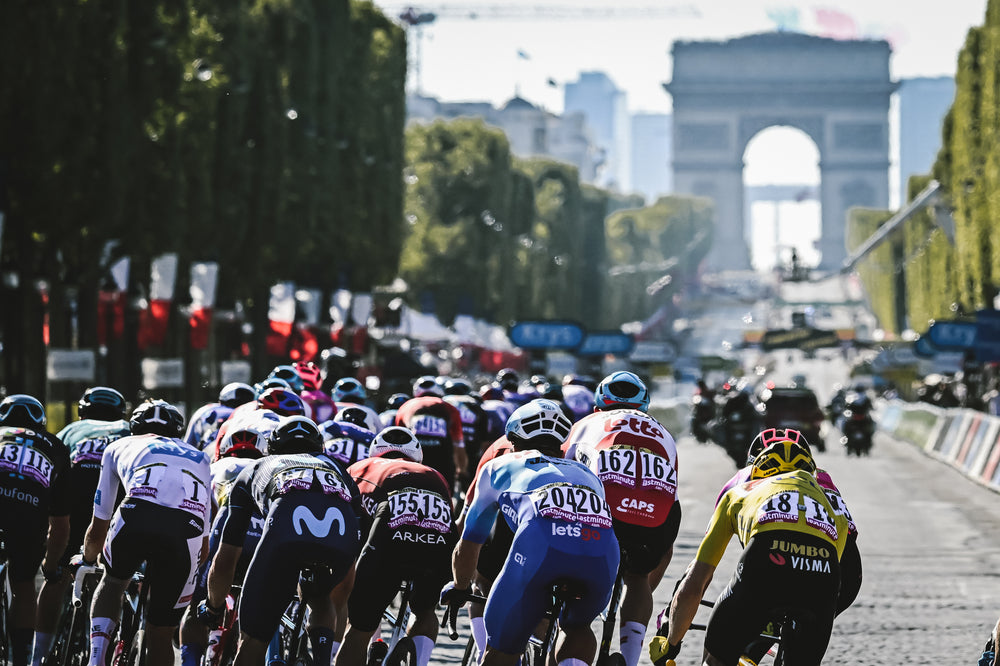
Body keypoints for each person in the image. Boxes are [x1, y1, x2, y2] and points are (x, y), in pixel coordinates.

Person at [442, 399, 620, 666]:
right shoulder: (587, 474)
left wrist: (460, 585)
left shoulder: (498, 465)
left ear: (512, 440)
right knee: (577, 626)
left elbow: (470, 542)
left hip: (541, 546)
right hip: (602, 552)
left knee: (502, 647)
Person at [649, 438, 849, 666]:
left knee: (717, 660)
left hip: (765, 568)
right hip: (823, 578)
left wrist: (671, 643)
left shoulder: (740, 492)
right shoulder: (834, 507)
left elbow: (696, 583)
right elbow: (836, 578)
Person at [200, 415, 364, 666]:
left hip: (285, 536)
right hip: (341, 541)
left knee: (253, 638)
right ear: (319, 446)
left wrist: (213, 606)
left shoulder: (254, 468)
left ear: (272, 447)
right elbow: (358, 528)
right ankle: (322, 658)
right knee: (322, 597)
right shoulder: (337, 468)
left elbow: (226, 558)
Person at [79, 399, 211, 666]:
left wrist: (87, 560)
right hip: (186, 533)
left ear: (134, 427)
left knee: (114, 581)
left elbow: (100, 522)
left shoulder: (118, 446)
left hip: (136, 514)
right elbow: (205, 547)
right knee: (161, 631)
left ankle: (96, 658)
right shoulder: (201, 456)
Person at [562, 371, 681, 666]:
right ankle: (630, 656)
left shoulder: (587, 423)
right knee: (639, 575)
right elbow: (672, 493)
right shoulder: (664, 432)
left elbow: (562, 470)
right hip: (655, 515)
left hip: (604, 510)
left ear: (598, 405)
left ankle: (573, 623)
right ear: (644, 406)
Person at [336, 427, 455, 666]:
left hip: (387, 542)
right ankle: (419, 661)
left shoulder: (360, 467)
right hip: (437, 545)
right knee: (424, 610)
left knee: (359, 628)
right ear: (417, 456)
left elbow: (345, 524)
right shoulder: (434, 474)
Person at [714, 428, 862, 619]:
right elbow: (848, 532)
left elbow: (720, 526)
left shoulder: (744, 477)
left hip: (771, 561)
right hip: (839, 571)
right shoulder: (823, 478)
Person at [32, 387, 131, 665]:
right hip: (115, 501)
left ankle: (38, 655)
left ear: (82, 410)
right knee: (117, 578)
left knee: (58, 576)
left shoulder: (73, 430)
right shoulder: (127, 429)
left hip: (74, 500)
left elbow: (54, 467)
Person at [178, 424, 269, 666]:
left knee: (197, 610)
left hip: (224, 540)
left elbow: (200, 513)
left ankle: (190, 661)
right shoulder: (268, 468)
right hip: (264, 542)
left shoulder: (212, 467)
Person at [0, 395, 72, 666]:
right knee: (24, 583)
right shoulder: (56, 446)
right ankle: (21, 657)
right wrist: (51, 567)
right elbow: (61, 523)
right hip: (28, 518)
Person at [394, 377, 466, 493]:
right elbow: (459, 444)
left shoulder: (405, 407)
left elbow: (398, 443)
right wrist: (462, 469)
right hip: (443, 464)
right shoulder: (449, 408)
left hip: (414, 463)